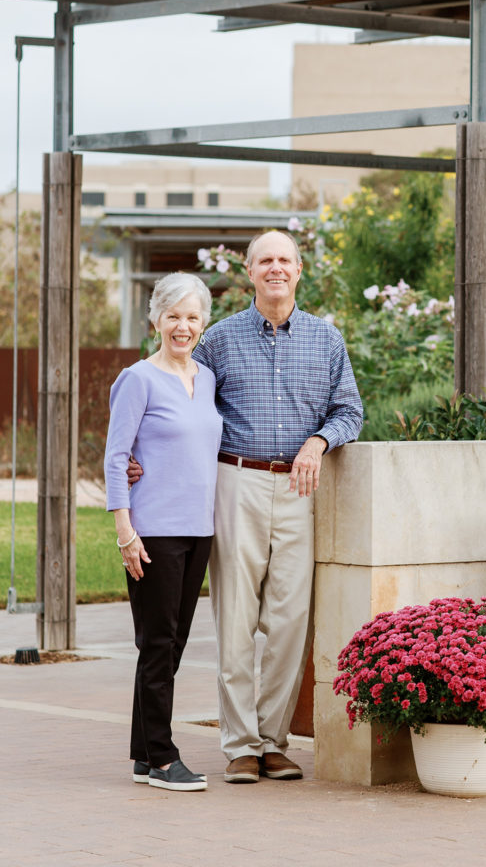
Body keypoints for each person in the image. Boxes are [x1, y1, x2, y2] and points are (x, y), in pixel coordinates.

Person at [193, 229, 362, 784]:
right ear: (249, 271)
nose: (275, 268)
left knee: (291, 620)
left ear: (299, 269)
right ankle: (239, 743)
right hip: (235, 481)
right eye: (265, 260)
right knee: (236, 616)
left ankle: (273, 740)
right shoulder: (216, 341)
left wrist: (318, 442)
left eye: (285, 259)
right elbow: (180, 399)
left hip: (299, 488)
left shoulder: (326, 340)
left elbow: (350, 412)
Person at [104, 272, 222, 793]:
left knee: (170, 644)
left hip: (199, 529)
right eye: (173, 315)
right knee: (157, 644)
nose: (183, 325)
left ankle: (142, 750)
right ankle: (163, 757)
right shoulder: (138, 378)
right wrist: (125, 531)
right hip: (152, 531)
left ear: (203, 323)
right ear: (155, 320)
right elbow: (114, 458)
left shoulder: (207, 378)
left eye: (192, 316)